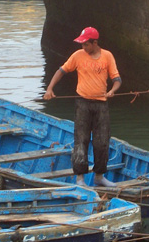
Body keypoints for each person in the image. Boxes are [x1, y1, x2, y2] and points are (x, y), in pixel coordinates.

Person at [43, 26, 122, 187]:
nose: (83, 47)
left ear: (95, 43)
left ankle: (99, 176)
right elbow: (61, 71)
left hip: (101, 104)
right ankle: (80, 179)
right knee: (81, 140)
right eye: (82, 44)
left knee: (102, 141)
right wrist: (50, 89)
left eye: (86, 44)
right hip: (82, 103)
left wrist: (112, 91)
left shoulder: (107, 56)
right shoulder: (78, 55)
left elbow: (117, 79)